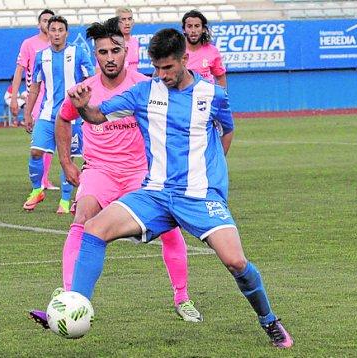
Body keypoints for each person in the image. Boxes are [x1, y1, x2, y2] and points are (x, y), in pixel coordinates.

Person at [62, 28, 293, 349]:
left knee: (236, 262)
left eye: (168, 67)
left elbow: (227, 130)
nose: (161, 75)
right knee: (93, 228)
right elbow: (98, 116)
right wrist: (85, 108)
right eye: (156, 68)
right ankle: (76, 308)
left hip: (199, 196)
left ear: (185, 59)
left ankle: (269, 320)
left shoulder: (213, 95)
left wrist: (211, 173)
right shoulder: (145, 92)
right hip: (155, 194)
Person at [29, 18, 201, 329]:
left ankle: (182, 297)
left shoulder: (146, 87)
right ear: (95, 55)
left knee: (170, 227)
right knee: (83, 216)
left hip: (141, 173)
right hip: (100, 171)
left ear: (127, 50)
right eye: (103, 52)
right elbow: (63, 119)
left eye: (116, 50)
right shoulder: (84, 91)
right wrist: (66, 162)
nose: (110, 57)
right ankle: (72, 297)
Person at [23, 15, 94, 213]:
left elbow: (91, 81)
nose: (56, 33)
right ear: (48, 31)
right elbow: (35, 88)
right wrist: (28, 113)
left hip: (73, 117)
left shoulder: (78, 53)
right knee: (35, 152)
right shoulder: (40, 56)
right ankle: (37, 190)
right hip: (47, 114)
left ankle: (64, 201)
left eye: (60, 30)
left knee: (69, 158)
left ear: (66, 33)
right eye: (52, 29)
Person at [10, 9, 59, 190]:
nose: (47, 24)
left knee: (55, 138)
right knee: (40, 141)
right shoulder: (29, 44)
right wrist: (15, 98)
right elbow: (19, 71)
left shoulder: (59, 46)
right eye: (45, 20)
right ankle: (40, 181)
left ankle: (44, 179)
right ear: (39, 24)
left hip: (56, 98)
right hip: (37, 97)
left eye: (50, 21)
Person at [182, 9, 227, 87]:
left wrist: (222, 97)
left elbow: (220, 77)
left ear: (203, 29)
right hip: (184, 96)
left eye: (197, 26)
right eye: (189, 26)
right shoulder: (176, 50)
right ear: (184, 30)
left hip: (206, 96)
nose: (193, 30)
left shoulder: (212, 51)